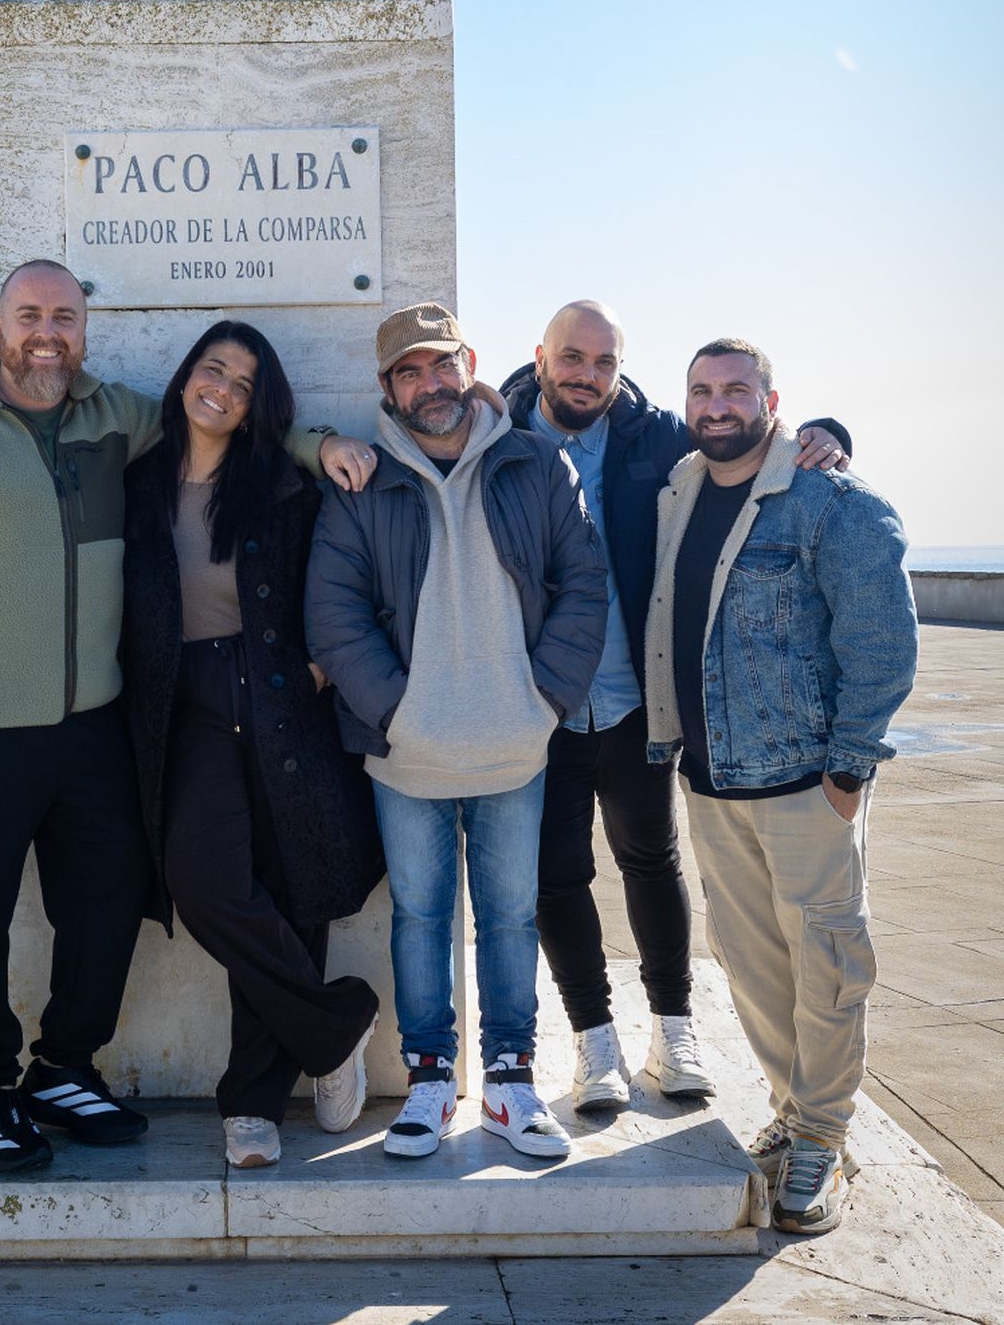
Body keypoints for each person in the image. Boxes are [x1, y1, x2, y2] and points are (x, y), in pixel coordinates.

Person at [0, 258, 376, 1174]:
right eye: (29, 314)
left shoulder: (114, 417)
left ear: (84, 327)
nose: (46, 331)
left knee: (105, 905)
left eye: (64, 314)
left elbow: (235, 425)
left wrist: (319, 442)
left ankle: (64, 1065)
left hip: (96, 719)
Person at [499, 301, 846, 1114]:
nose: (588, 375)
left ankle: (674, 1030)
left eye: (604, 362)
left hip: (633, 705)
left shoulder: (657, 436)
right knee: (556, 878)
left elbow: (743, 435)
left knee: (650, 864)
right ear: (541, 358)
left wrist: (826, 430)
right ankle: (595, 1048)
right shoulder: (498, 440)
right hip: (535, 708)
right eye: (573, 358)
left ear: (620, 368)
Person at [305, 303, 607, 1162]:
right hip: (406, 755)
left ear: (469, 363)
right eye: (409, 372)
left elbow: (583, 585)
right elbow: (334, 615)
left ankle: (510, 1082)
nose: (429, 384)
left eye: (441, 365)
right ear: (388, 389)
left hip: (516, 745)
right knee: (421, 917)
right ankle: (432, 1079)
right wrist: (399, 712)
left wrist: (543, 698)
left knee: (511, 916)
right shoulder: (359, 481)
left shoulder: (535, 462)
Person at [644, 339, 918, 1236]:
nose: (716, 405)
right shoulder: (681, 485)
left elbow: (881, 648)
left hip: (806, 783)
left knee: (828, 969)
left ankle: (824, 1142)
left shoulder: (830, 501)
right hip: (712, 779)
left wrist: (847, 770)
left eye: (735, 390)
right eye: (702, 390)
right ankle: (793, 1114)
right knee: (755, 968)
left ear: (772, 399)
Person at [122, 320, 384, 1169]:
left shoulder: (280, 482)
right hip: (182, 698)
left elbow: (341, 575)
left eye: (241, 382)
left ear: (258, 402)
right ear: (185, 377)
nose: (222, 389)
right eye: (213, 369)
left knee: (292, 878)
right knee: (205, 880)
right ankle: (335, 1027)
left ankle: (255, 1103)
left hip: (276, 689)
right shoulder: (137, 482)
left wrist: (317, 661)